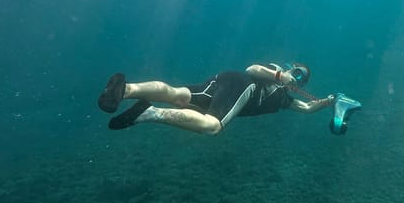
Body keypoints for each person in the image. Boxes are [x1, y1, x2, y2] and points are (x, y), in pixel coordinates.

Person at [97, 63, 336, 135]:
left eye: (301, 79)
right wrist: (280, 75)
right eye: (297, 72)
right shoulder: (275, 74)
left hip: (224, 80)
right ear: (290, 68)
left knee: (179, 95)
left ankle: (125, 89)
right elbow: (252, 69)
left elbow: (305, 107)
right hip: (243, 85)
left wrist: (326, 102)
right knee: (212, 126)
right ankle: (149, 113)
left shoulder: (285, 99)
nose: (296, 79)